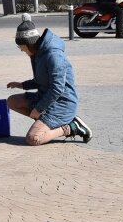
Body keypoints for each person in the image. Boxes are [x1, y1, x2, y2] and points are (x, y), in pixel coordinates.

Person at [7, 13, 92, 146]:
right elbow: (41, 80)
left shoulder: (53, 55)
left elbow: (57, 88)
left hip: (62, 103)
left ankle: (71, 127)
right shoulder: (37, 54)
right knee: (12, 101)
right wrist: (21, 85)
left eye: (21, 47)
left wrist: (39, 109)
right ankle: (45, 124)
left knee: (33, 138)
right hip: (45, 98)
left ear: (28, 44)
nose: (21, 50)